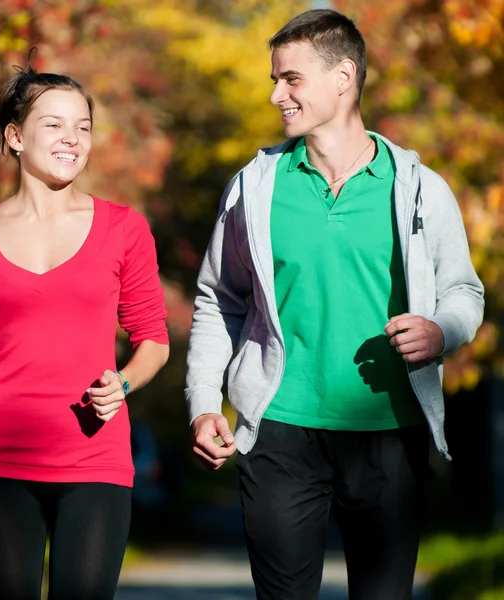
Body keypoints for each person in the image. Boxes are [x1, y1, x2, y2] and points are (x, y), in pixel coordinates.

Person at [185, 8, 484, 600]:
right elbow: (218, 297)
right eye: (276, 79)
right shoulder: (255, 186)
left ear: (343, 77)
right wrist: (202, 402)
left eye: (290, 79)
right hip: (278, 432)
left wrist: (440, 331)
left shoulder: (418, 185)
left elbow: (464, 292)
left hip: (387, 432)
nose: (276, 94)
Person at [0, 62, 169, 600]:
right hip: (0, 458)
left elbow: (152, 339)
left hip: (95, 457)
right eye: (55, 125)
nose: (72, 139)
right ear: (16, 137)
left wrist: (125, 384)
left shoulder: (123, 228)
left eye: (83, 126)